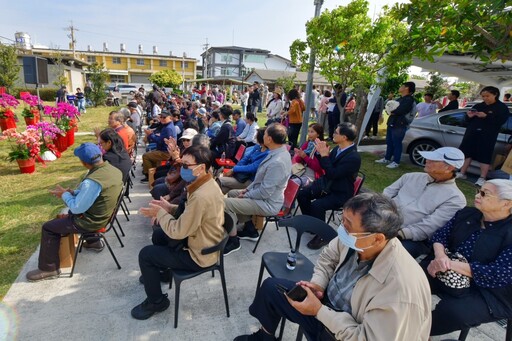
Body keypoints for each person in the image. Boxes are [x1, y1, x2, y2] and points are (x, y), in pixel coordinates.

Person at [234, 193, 432, 341]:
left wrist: (319, 311)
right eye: (342, 220)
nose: (341, 228)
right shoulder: (359, 240)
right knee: (272, 289)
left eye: (348, 224)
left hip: (343, 331)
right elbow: (329, 256)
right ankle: (264, 337)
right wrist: (318, 284)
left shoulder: (401, 290)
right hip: (326, 305)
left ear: (378, 237)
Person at [134, 145, 225, 320]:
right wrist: (170, 208)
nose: (182, 168)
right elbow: (191, 214)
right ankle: (164, 273)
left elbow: (178, 231)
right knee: (158, 235)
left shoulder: (201, 195)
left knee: (146, 255)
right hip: (198, 238)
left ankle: (157, 302)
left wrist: (159, 213)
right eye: (182, 163)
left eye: (186, 165)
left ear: (201, 167)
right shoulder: (206, 182)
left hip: (200, 255)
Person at [422, 179, 512, 337]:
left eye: (484, 194)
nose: (478, 195)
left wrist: (449, 264)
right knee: (409, 279)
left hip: (489, 292)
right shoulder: (467, 214)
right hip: (446, 272)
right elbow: (440, 236)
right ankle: (399, 320)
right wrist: (440, 256)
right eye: (479, 190)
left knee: (452, 312)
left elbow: (500, 273)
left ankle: (416, 332)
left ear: (506, 204)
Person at [26, 143, 123, 282]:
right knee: (65, 217)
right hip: (104, 216)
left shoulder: (92, 182)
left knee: (48, 228)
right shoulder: (113, 170)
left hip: (89, 222)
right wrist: (73, 192)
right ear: (100, 155)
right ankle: (93, 240)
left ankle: (49, 269)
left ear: (84, 162)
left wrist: (64, 195)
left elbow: (77, 208)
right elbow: (98, 194)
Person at [383, 147, 467, 258]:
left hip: (411, 238)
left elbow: (429, 227)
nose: (427, 160)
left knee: (389, 252)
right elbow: (384, 195)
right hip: (382, 221)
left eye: (434, 160)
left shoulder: (455, 198)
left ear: (449, 168)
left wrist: (398, 234)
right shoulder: (410, 177)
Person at [223, 123, 292, 255]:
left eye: (265, 134)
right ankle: (250, 229)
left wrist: (246, 195)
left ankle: (233, 241)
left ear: (270, 139)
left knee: (225, 204)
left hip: (268, 203)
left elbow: (265, 192)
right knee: (232, 193)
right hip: (262, 195)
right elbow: (259, 180)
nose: (262, 136)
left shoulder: (278, 161)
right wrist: (246, 190)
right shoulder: (277, 152)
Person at [297, 123, 361, 250]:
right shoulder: (338, 149)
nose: (333, 134)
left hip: (340, 192)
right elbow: (325, 167)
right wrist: (320, 154)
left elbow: (332, 173)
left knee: (317, 205)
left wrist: (325, 156)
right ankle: (312, 224)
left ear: (344, 137)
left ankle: (322, 234)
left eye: (336, 133)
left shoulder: (353, 157)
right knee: (302, 194)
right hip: (327, 185)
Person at [457, 86, 509, 186]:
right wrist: (469, 116)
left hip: (487, 136)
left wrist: (487, 116)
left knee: (484, 156)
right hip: (472, 133)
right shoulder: (479, 105)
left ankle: (482, 178)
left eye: (487, 96)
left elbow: (500, 121)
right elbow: (466, 120)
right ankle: (462, 173)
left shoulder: (501, 107)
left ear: (495, 95)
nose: (485, 98)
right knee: (467, 153)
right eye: (483, 96)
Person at [375, 81, 416, 169]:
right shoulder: (400, 98)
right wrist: (391, 109)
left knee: (397, 143)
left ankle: (396, 161)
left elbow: (400, 110)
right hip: (392, 122)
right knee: (389, 142)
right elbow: (388, 108)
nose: (400, 87)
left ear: (407, 88)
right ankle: (387, 158)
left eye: (402, 86)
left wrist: (392, 111)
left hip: (400, 124)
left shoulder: (409, 99)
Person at [218, 128, 269, 194]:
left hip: (249, 180)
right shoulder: (258, 147)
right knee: (224, 188)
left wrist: (235, 169)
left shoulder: (266, 154)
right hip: (242, 175)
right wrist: (234, 169)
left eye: (257, 134)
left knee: (220, 180)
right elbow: (245, 159)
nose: (255, 136)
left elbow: (252, 168)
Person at [141, 111, 177, 183]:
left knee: (145, 156)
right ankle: (152, 174)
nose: (162, 119)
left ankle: (148, 176)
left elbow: (160, 141)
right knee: (151, 155)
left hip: (165, 152)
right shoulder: (167, 126)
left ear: (170, 118)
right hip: (163, 150)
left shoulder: (168, 128)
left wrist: (150, 135)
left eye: (164, 117)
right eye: (161, 117)